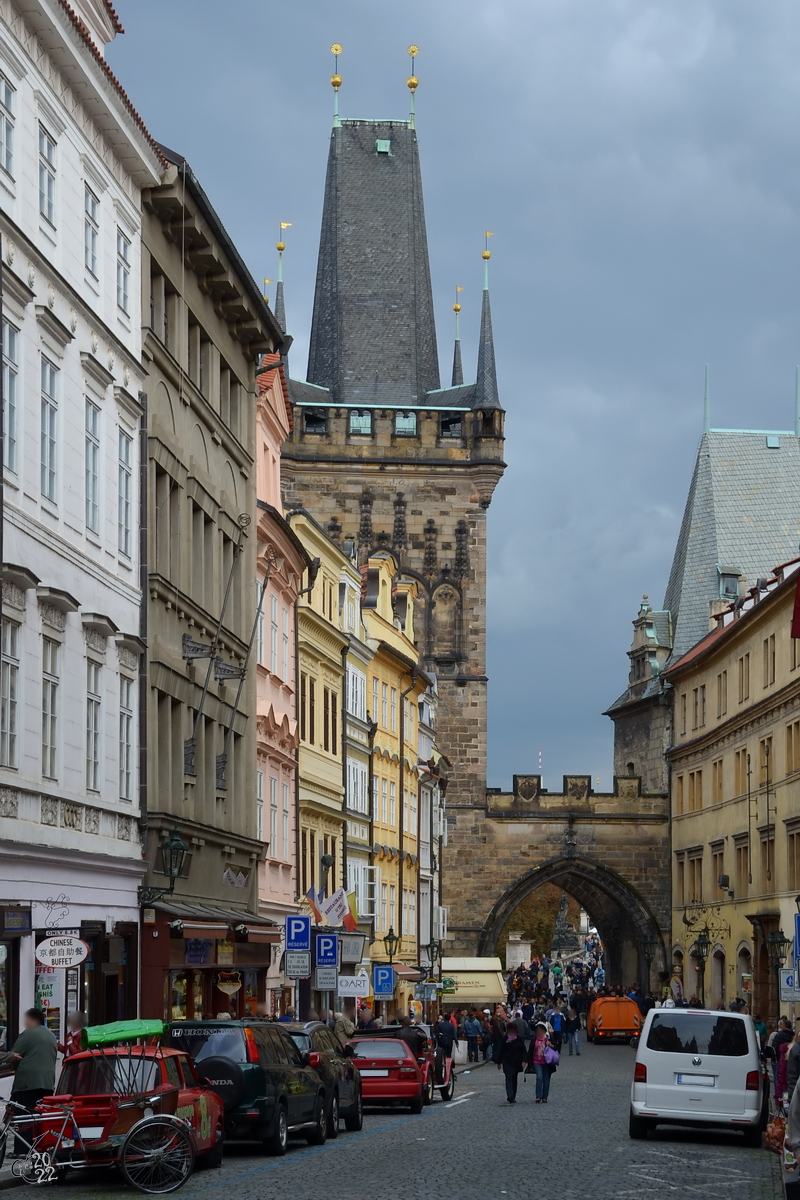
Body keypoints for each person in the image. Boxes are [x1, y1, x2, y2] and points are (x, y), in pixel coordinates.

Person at [0, 1009, 57, 1153]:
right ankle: (41, 1146)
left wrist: (12, 1062)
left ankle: (22, 1150)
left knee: (23, 1117)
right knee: (40, 1116)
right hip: (48, 1082)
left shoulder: (28, 1034)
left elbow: (15, 1055)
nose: (25, 1023)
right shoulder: (51, 1035)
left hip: (27, 1083)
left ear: (32, 1020)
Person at [495, 1019, 526, 1103]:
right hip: (507, 1061)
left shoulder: (518, 1039)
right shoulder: (504, 1039)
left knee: (514, 1078)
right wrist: (498, 1061)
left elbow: (523, 1050)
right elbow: (501, 1050)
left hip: (516, 1061)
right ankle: (510, 1095)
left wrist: (524, 1060)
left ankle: (513, 1095)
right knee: (508, 1077)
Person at [527, 1021, 554, 1104]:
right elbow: (530, 1051)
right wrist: (529, 1063)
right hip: (537, 1061)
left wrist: (550, 1045)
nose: (539, 1033)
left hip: (547, 1062)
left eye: (541, 1031)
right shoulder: (534, 1039)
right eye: (537, 1031)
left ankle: (544, 1096)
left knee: (546, 1080)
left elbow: (556, 1047)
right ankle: (538, 1096)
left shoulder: (548, 1039)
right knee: (539, 1077)